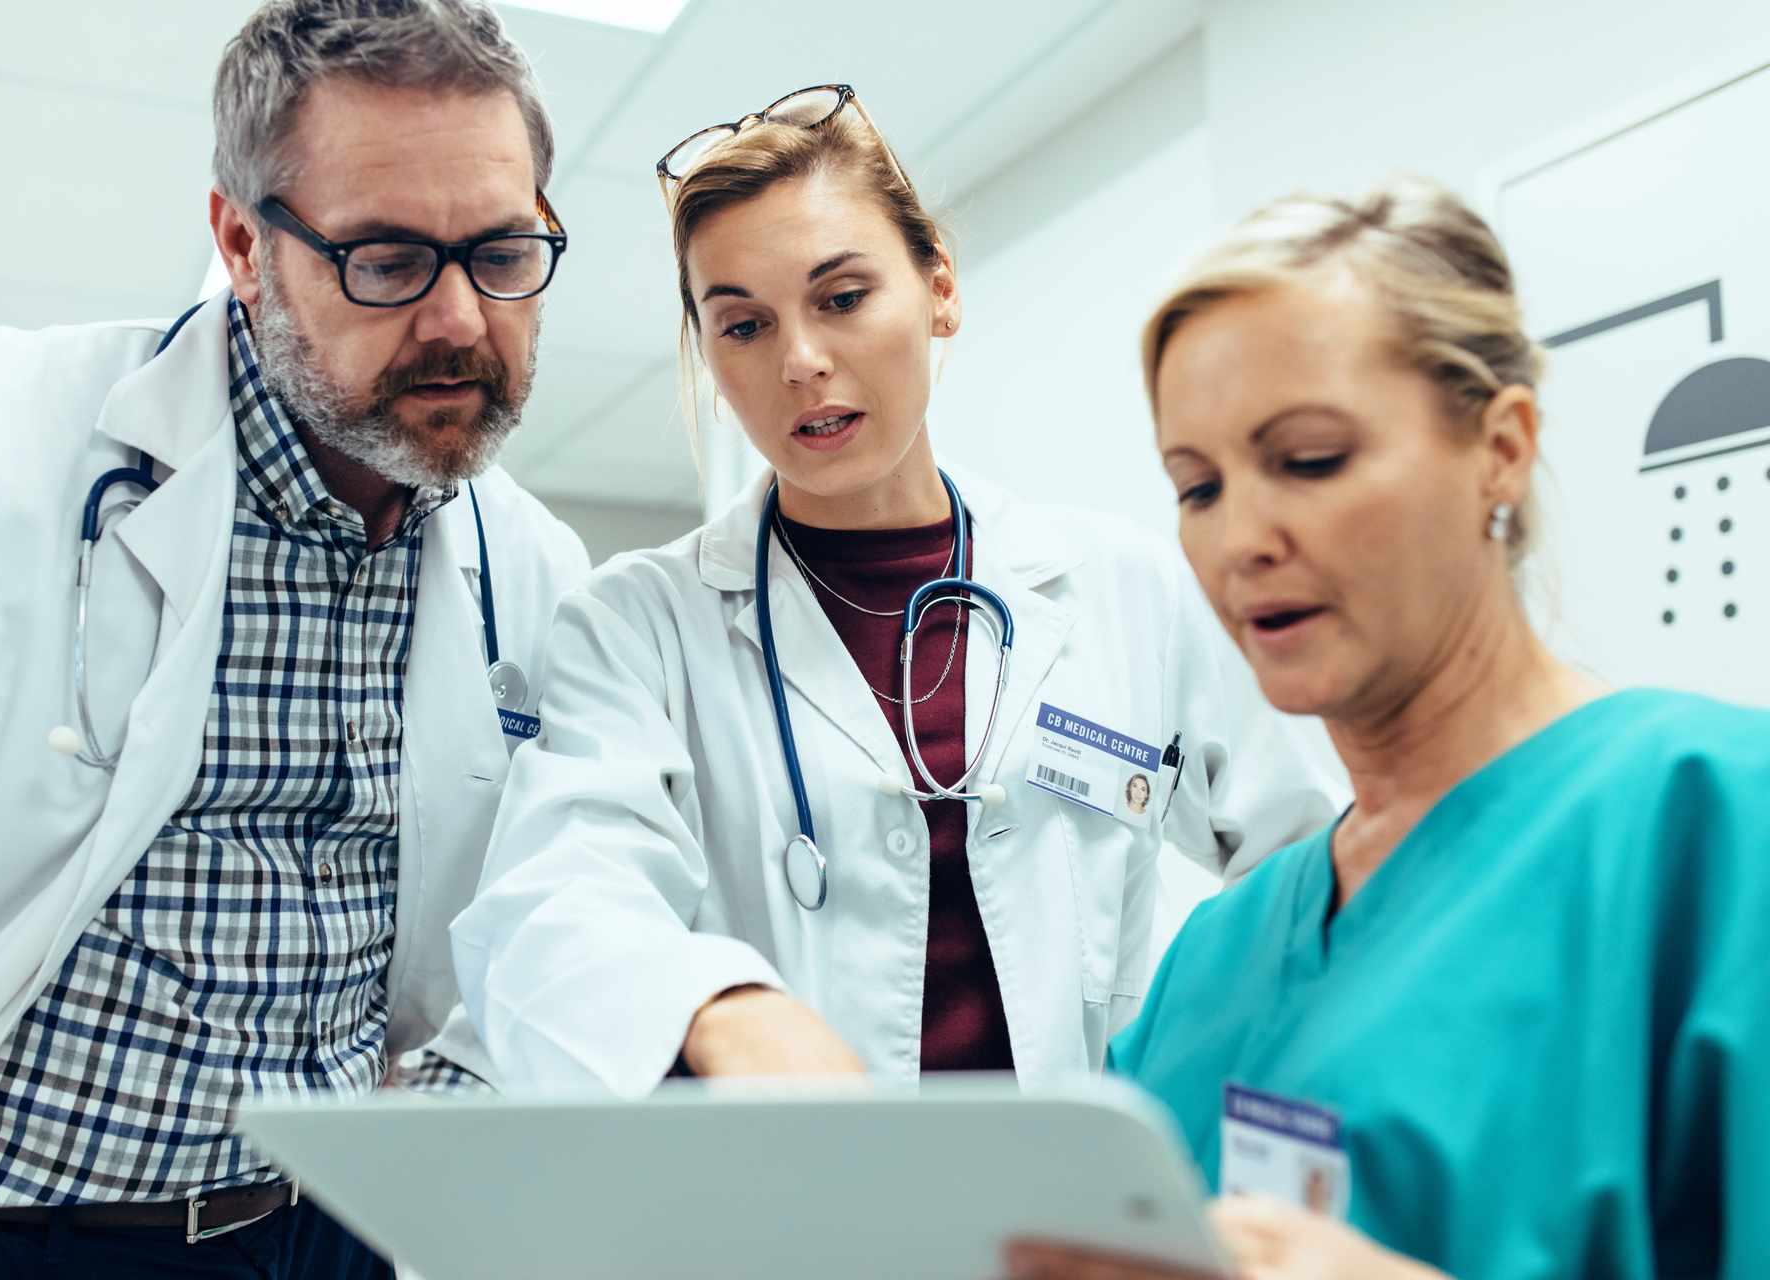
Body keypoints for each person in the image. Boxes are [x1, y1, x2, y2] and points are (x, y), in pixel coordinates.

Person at [0, 2, 589, 1274]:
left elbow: (522, 934)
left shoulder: (534, 570)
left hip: (331, 1233)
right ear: (244, 243)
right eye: (389, 260)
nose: (463, 319)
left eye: (503, 252)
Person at [449, 86, 1345, 1095]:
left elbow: (1305, 867)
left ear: (939, 289)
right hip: (798, 1213)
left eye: (841, 298)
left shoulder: (1121, 586)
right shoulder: (636, 628)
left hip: (1072, 1208)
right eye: (742, 324)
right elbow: (555, 904)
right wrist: (719, 1004)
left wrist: (1201, 1071)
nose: (800, 361)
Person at [1007, 178, 1770, 1280]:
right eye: (1198, 485)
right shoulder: (1213, 962)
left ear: (1501, 447)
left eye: (1309, 459)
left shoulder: (1712, 826)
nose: (1241, 539)